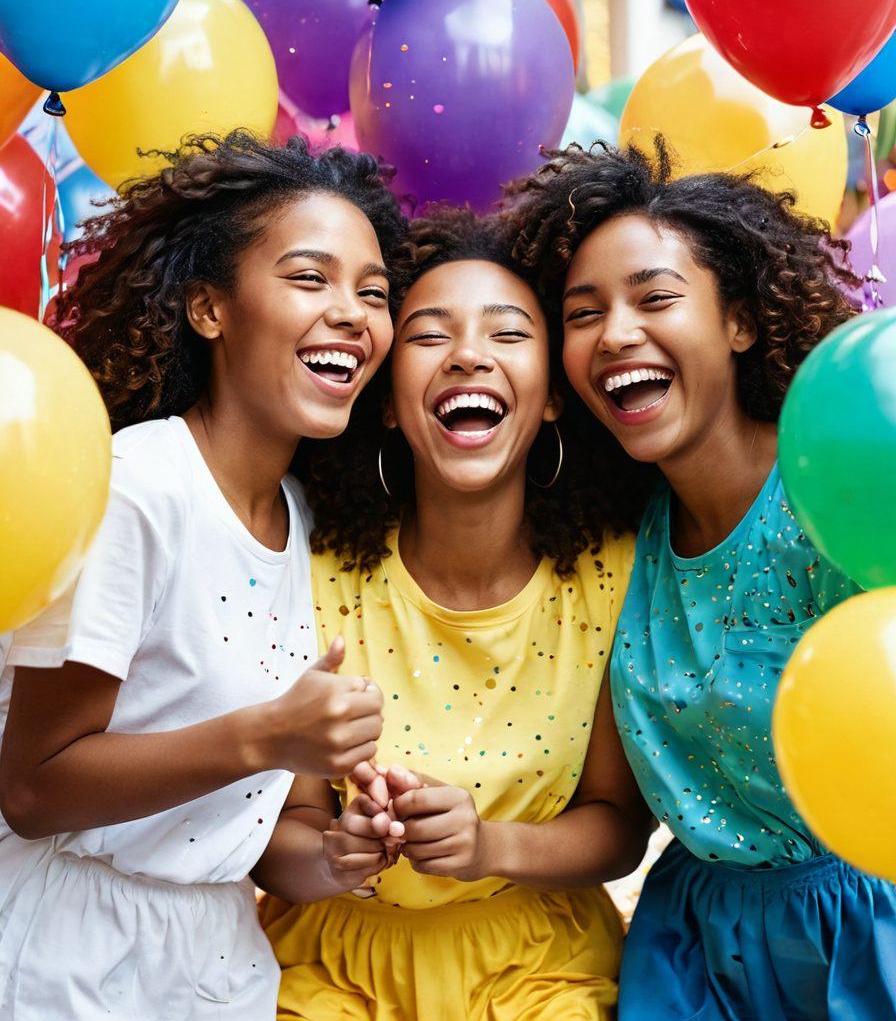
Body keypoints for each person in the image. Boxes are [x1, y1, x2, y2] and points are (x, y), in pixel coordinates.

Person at [0, 131, 406, 1020]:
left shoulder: (303, 520)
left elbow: (274, 837)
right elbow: (32, 787)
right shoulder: (135, 489)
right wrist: (267, 736)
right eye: (310, 278)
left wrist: (340, 853)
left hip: (216, 966)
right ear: (209, 308)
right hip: (64, 958)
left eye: (373, 293)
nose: (351, 312)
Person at [505, 140, 896, 1020]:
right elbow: (618, 809)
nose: (615, 334)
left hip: (871, 931)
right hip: (696, 950)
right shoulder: (621, 540)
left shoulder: (838, 507)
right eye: (582, 313)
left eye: (655, 298)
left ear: (741, 322)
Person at [254, 206, 655, 1021]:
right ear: (389, 403)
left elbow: (619, 828)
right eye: (430, 336)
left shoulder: (612, 576)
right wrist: (335, 855)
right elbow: (278, 838)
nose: (468, 355)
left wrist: (487, 847)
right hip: (329, 968)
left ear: (553, 397)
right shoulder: (311, 572)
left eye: (508, 334)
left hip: (541, 973)